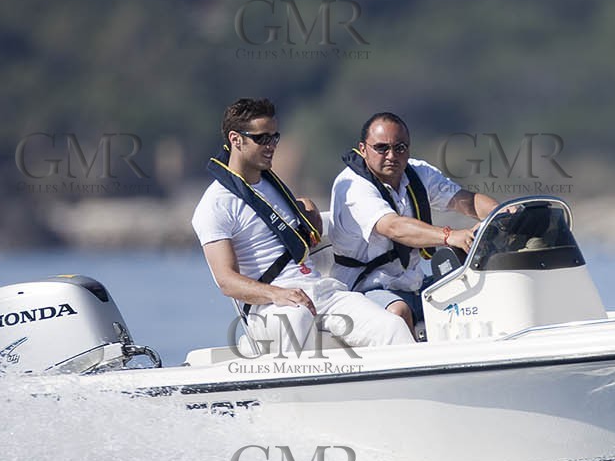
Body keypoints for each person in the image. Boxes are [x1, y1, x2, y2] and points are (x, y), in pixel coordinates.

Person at [191, 98, 413, 356]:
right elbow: (226, 281)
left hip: (319, 291)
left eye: (275, 138)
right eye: (262, 138)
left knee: (392, 327)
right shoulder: (215, 205)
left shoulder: (271, 186)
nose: (271, 146)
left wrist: (306, 208)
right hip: (269, 306)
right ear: (236, 139)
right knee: (297, 319)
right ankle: (296, 395)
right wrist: (277, 294)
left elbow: (283, 216)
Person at [329, 111, 498, 332]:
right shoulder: (352, 186)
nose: (391, 155)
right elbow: (393, 227)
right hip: (362, 288)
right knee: (398, 313)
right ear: (363, 149)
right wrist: (450, 236)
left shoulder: (419, 173)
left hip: (412, 282)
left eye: (400, 148)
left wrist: (502, 214)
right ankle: (418, 365)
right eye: (381, 148)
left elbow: (465, 201)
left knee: (479, 293)